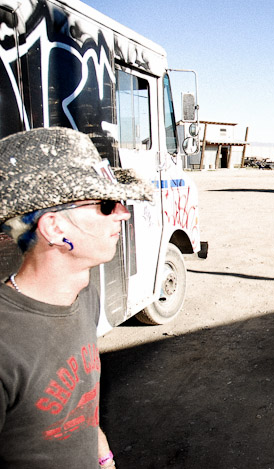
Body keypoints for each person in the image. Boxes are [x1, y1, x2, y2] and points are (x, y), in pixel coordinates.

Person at [0, 127, 152, 468]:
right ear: (55, 228)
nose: (123, 214)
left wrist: (103, 457)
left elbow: (81, 403)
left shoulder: (85, 298)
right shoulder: (5, 343)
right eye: (105, 205)